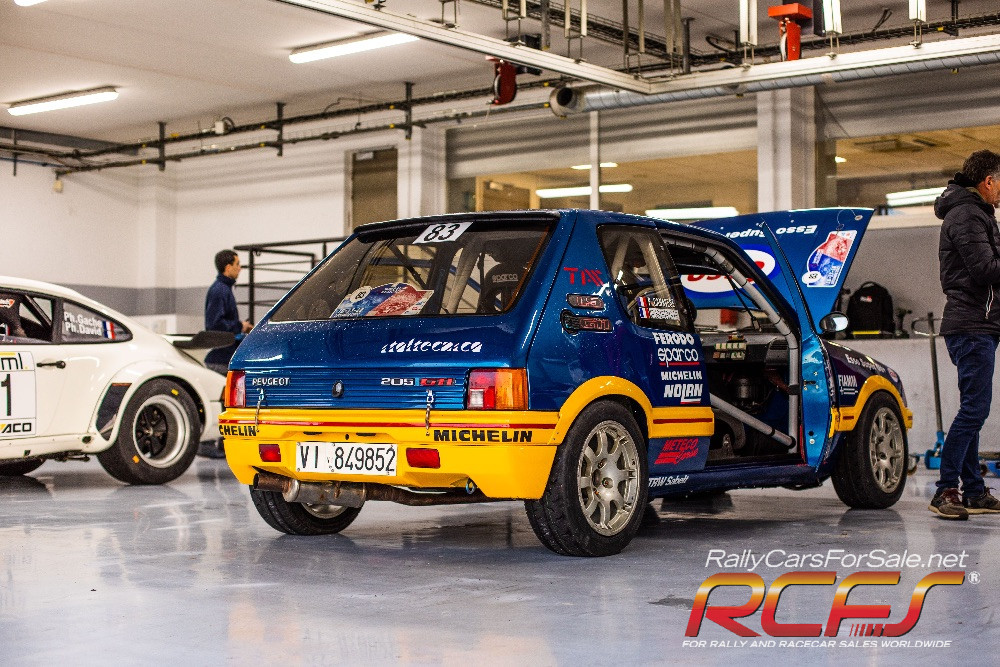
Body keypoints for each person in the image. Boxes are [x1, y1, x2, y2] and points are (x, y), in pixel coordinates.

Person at [931, 149, 1000, 519]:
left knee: (972, 410)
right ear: (988, 181)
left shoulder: (974, 213)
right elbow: (986, 269)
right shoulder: (967, 215)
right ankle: (945, 489)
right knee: (975, 410)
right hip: (971, 325)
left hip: (978, 324)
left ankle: (973, 491)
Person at [200, 250, 252, 458]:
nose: (240, 268)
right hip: (221, 357)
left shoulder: (225, 289)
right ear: (228, 267)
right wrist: (240, 326)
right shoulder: (219, 291)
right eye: (237, 264)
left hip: (225, 354)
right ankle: (216, 442)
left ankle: (224, 443)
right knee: (227, 400)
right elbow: (214, 324)